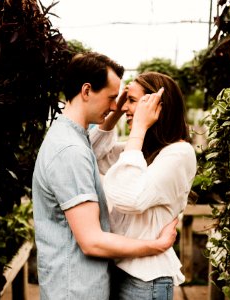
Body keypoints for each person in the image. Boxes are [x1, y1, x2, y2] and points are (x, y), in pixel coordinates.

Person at [32, 53, 179, 300]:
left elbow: (97, 150)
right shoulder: (71, 151)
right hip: (76, 292)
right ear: (87, 91)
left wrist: (117, 113)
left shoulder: (69, 137)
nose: (115, 106)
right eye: (112, 98)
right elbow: (92, 241)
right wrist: (157, 246)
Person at [90, 71, 197, 300]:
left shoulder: (179, 153)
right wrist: (117, 112)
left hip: (145, 281)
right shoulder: (141, 150)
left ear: (156, 106)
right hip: (120, 270)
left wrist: (138, 128)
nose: (125, 107)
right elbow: (93, 154)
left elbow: (130, 198)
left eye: (131, 101)